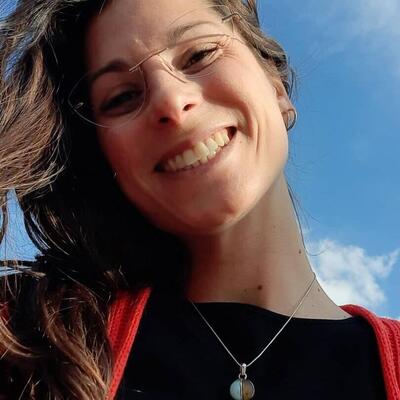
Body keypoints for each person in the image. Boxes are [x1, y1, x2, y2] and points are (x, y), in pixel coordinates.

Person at [0, 0, 399, 399]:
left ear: (276, 88)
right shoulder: (23, 338)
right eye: (121, 97)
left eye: (200, 54)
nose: (171, 102)